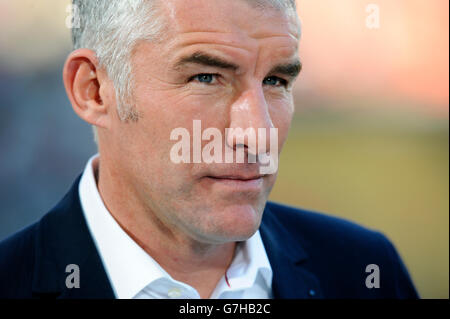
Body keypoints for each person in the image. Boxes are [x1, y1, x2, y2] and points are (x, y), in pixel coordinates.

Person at [0, 0, 418, 299]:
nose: (258, 133)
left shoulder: (364, 270)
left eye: (276, 81)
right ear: (93, 89)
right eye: (206, 77)